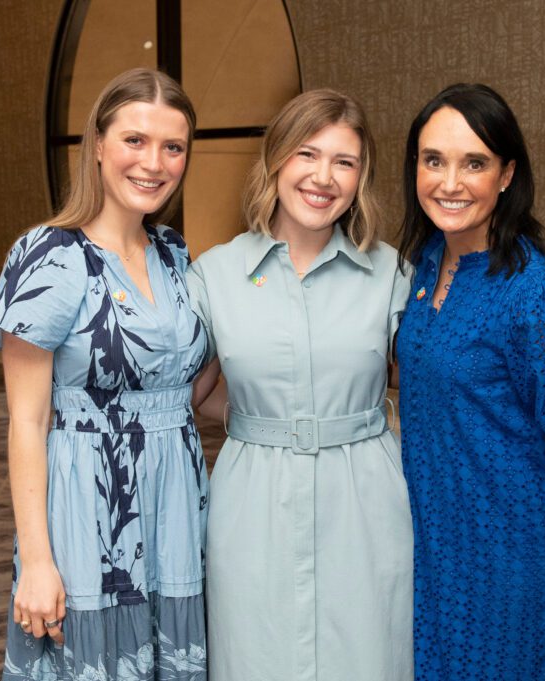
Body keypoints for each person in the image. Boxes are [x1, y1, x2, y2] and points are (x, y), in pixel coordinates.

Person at [396, 83, 545, 681]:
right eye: (433, 160)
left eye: (474, 163)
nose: (450, 182)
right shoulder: (426, 266)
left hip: (509, 550)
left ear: (506, 175)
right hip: (431, 534)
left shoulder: (537, 294)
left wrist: (539, 520)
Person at [0, 68, 209, 681]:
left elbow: (184, 389)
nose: (154, 162)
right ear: (100, 145)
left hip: (177, 505)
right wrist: (36, 561)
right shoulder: (49, 255)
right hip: (90, 505)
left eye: (173, 146)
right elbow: (26, 422)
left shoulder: (173, 253)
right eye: (135, 140)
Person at [187, 89, 413, 681]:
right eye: (307, 154)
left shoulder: (391, 271)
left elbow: (431, 385)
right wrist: (267, 420)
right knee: (254, 656)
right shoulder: (215, 274)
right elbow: (193, 393)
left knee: (368, 654)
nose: (323, 177)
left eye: (345, 161)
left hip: (366, 497)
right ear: (277, 161)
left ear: (360, 177)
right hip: (253, 497)